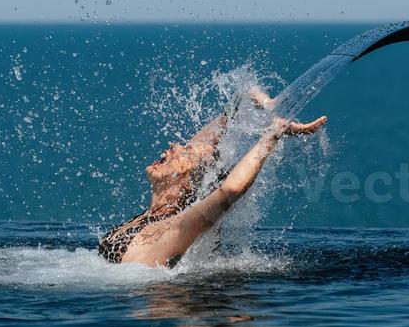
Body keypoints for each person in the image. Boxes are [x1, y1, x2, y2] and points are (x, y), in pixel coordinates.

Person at [99, 88, 327, 268]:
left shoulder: (178, 226)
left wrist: (272, 135)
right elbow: (211, 136)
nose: (172, 146)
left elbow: (230, 191)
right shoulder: (150, 216)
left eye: (183, 150)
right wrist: (246, 99)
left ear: (187, 180)